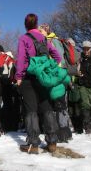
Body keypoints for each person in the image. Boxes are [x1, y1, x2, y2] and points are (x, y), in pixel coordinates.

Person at [16, 13, 61, 154]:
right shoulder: (44, 38)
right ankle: (52, 142)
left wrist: (18, 76)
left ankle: (33, 145)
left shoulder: (24, 38)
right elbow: (57, 56)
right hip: (43, 78)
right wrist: (49, 67)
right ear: (36, 24)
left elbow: (22, 58)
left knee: (31, 110)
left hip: (29, 78)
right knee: (46, 107)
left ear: (25, 24)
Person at [39, 24, 72, 142]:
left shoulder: (52, 42)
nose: (38, 32)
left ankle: (63, 134)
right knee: (58, 106)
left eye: (40, 30)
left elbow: (58, 60)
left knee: (59, 106)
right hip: (56, 77)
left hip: (56, 77)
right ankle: (62, 133)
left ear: (46, 31)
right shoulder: (51, 42)